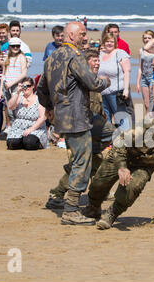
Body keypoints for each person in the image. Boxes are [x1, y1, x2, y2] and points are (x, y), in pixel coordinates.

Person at [37, 21, 110, 225]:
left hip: (70, 116)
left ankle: (61, 194)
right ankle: (70, 210)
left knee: (109, 134)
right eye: (83, 34)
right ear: (71, 35)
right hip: (77, 118)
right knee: (82, 161)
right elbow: (92, 83)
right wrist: (107, 81)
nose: (85, 38)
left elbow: (41, 88)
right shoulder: (74, 57)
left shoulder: (51, 58)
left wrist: (50, 108)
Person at [46, 48, 115, 210]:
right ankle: (58, 195)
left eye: (98, 60)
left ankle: (97, 192)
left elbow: (98, 111)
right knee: (81, 164)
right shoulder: (80, 80)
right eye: (93, 60)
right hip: (77, 127)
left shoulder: (92, 79)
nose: (97, 63)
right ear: (85, 63)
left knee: (92, 161)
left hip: (90, 127)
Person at [98, 32, 131, 131]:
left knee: (120, 117)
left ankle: (126, 140)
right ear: (103, 42)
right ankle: (109, 141)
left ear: (115, 42)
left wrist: (126, 90)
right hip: (102, 92)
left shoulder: (120, 53)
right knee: (106, 118)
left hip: (116, 92)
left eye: (111, 42)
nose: (109, 43)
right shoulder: (100, 54)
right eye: (107, 41)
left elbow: (127, 72)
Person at [6, 77, 48, 150]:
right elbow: (10, 106)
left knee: (30, 143)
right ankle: (21, 141)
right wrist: (17, 92)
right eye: (23, 86)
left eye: (28, 86)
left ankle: (28, 141)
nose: (25, 88)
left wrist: (31, 129)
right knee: (11, 144)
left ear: (32, 87)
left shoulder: (39, 99)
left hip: (35, 128)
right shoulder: (19, 97)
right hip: (18, 128)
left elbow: (43, 117)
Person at [0, 37, 28, 132]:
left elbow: (24, 74)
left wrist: (12, 83)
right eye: (13, 46)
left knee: (17, 108)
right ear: (9, 46)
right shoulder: (6, 56)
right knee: (9, 109)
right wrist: (1, 90)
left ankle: (19, 128)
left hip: (17, 86)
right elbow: (3, 74)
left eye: (17, 46)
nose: (15, 48)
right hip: (6, 86)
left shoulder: (21, 57)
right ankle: (12, 128)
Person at [136, 30, 154, 112]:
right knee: (146, 103)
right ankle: (147, 120)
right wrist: (137, 82)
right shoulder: (141, 51)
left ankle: (152, 121)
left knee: (152, 102)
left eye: (149, 38)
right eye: (145, 38)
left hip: (153, 77)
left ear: (153, 39)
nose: (147, 39)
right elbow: (140, 67)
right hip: (144, 78)